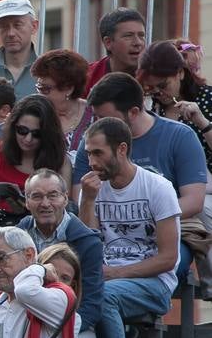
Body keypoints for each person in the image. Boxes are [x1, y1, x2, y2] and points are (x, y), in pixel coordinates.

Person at [77, 118, 181, 338]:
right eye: (89, 153)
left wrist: (114, 273)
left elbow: (168, 258)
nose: (92, 162)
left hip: (154, 283)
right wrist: (88, 201)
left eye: (98, 153)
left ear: (121, 149)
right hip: (106, 279)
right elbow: (88, 246)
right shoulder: (92, 190)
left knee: (103, 296)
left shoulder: (158, 187)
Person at [73, 73, 207, 227]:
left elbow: (193, 201)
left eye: (106, 118)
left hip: (167, 226)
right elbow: (80, 200)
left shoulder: (180, 136)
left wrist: (135, 222)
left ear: (133, 112)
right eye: (96, 117)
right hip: (107, 229)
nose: (99, 124)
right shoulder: (92, 143)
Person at [19, 169, 104, 338]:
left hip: (73, 318)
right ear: (26, 201)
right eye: (36, 196)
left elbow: (92, 303)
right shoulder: (19, 235)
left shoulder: (87, 241)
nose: (45, 203)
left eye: (53, 195)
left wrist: (63, 327)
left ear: (66, 199)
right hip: (27, 317)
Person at [139, 41, 212, 231]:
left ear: (180, 72)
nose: (159, 93)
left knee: (202, 212)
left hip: (204, 192)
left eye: (163, 85)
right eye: (151, 88)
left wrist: (202, 123)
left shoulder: (207, 99)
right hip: (163, 191)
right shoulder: (148, 109)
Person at [0, 95, 71, 224]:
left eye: (37, 134)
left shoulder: (60, 161)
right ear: (13, 126)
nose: (28, 139)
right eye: (22, 131)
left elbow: (64, 210)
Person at [31, 49, 95, 162]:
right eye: (38, 88)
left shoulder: (95, 115)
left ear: (68, 88)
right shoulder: (33, 114)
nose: (39, 95)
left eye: (45, 89)